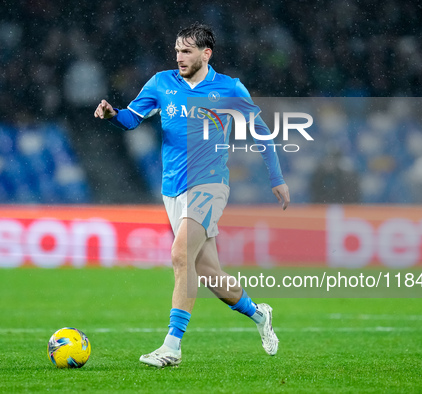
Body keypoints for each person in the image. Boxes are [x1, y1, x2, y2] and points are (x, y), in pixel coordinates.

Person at [95, 23, 290, 368]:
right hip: (173, 188)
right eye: (177, 51)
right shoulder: (160, 83)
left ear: (205, 53)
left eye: (187, 51)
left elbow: (262, 132)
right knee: (211, 274)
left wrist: (276, 178)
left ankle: (172, 346)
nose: (179, 57)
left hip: (210, 184)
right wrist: (112, 115)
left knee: (180, 255)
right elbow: (131, 119)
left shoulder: (229, 89)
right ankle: (260, 315)